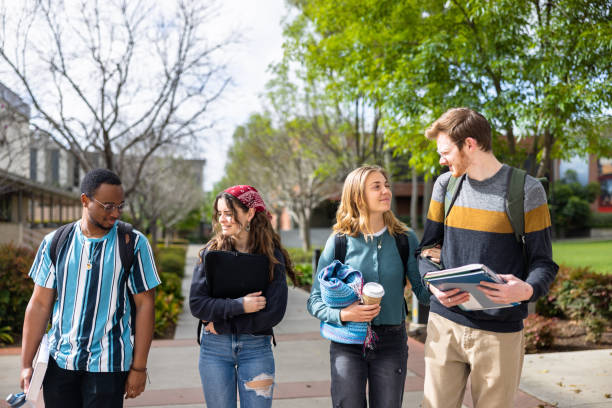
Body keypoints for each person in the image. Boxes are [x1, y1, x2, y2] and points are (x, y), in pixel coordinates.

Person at [417, 107, 559, 408]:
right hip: (446, 324)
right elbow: (428, 250)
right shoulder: (445, 186)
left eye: (445, 152)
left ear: (470, 144)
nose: (441, 160)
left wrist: (526, 289)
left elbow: (543, 263)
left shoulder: (527, 191)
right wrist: (432, 285)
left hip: (499, 333)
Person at [20, 168, 161, 407]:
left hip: (108, 366)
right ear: (85, 200)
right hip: (59, 364)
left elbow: (145, 305)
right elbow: (39, 304)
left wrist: (139, 367)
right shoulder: (55, 242)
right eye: (108, 206)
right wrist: (26, 365)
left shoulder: (134, 243)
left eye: (120, 205)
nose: (116, 213)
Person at [307, 165, 430, 408]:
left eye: (387, 185)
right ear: (357, 195)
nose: (386, 191)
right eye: (376, 186)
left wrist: (442, 272)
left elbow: (423, 294)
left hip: (391, 341)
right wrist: (344, 314)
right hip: (347, 342)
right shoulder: (339, 242)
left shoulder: (405, 238)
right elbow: (314, 300)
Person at [189, 185, 298, 408]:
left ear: (249, 213)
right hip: (214, 350)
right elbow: (198, 304)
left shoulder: (271, 256)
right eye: (219, 214)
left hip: (256, 348)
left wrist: (222, 323)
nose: (222, 220)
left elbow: (274, 313)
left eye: (229, 213)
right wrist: (240, 306)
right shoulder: (211, 253)